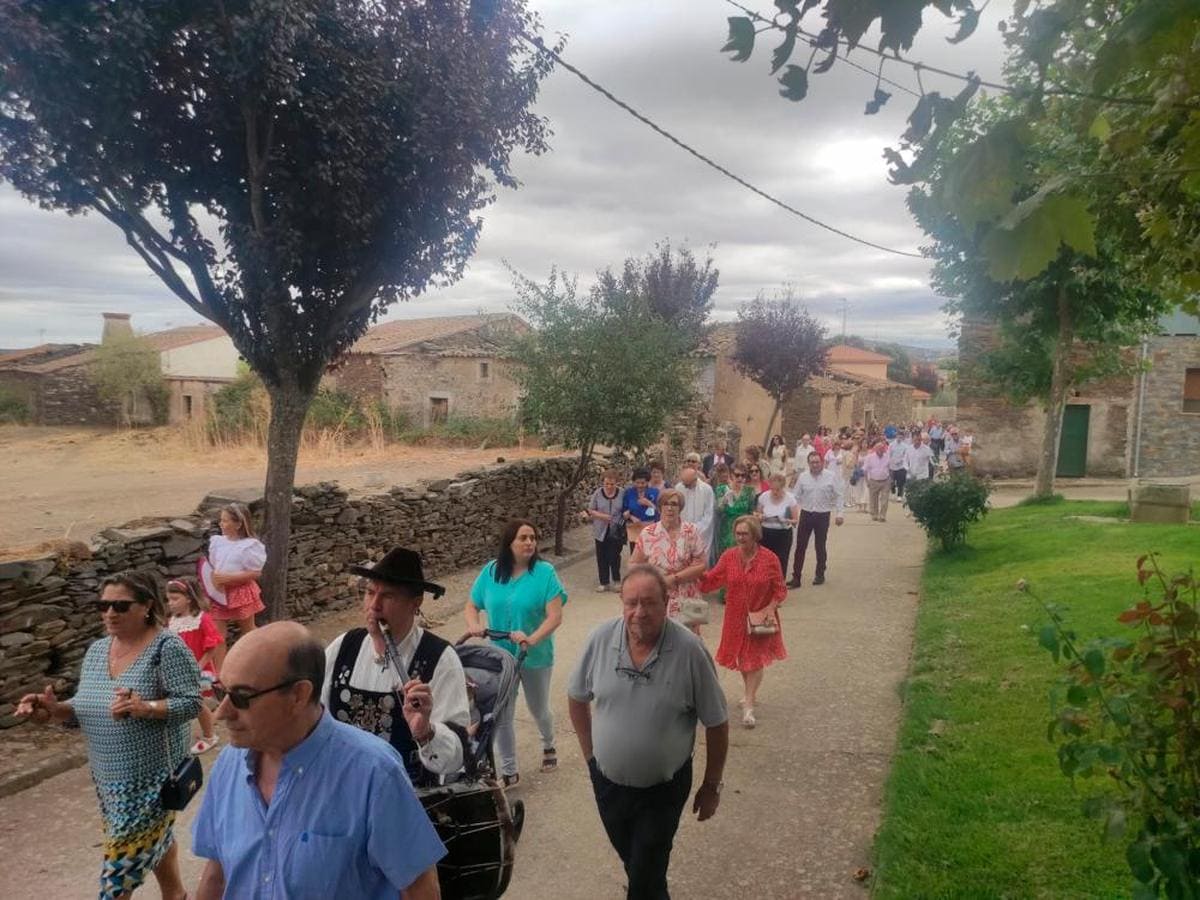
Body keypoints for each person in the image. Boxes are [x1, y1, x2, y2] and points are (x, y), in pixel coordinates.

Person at [192, 622, 444, 899]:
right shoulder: (230, 765)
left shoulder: (373, 773)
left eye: (241, 697)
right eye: (220, 692)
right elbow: (217, 875)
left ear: (298, 695)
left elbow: (419, 887)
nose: (221, 713)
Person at [17, 571, 201, 900]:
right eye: (103, 605)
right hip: (109, 780)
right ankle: (176, 895)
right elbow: (87, 706)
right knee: (153, 840)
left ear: (147, 606)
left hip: (151, 780)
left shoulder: (167, 648)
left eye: (120, 605)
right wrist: (53, 710)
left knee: (117, 875)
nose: (109, 613)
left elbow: (191, 702)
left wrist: (147, 707)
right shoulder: (98, 650)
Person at [567, 566, 729, 900]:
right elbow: (576, 698)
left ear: (667, 602)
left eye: (649, 603)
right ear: (622, 603)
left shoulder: (689, 651)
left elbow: (717, 722)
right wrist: (590, 758)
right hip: (608, 785)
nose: (639, 612)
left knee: (644, 873)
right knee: (640, 867)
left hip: (663, 792)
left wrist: (711, 785)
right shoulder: (600, 639)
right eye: (631, 603)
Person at [322, 547, 470, 786]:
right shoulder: (343, 647)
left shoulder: (439, 659)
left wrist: (426, 732)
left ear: (416, 603)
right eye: (370, 593)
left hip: (407, 797)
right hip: (342, 788)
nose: (374, 606)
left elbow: (455, 758)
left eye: (388, 596)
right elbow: (313, 719)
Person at [465, 520, 567, 786]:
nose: (530, 542)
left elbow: (555, 617)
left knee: (538, 707)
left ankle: (548, 744)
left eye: (532, 537)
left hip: (535, 656)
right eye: (523, 538)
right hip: (500, 660)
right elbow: (471, 605)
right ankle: (509, 771)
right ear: (509, 543)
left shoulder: (545, 573)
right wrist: (474, 625)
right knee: (501, 713)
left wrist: (531, 638)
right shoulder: (490, 572)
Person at [699, 516, 787, 728]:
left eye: (745, 534)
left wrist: (770, 608)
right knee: (742, 659)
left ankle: (748, 705)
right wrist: (694, 571)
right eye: (737, 533)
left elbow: (780, 589)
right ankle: (751, 694)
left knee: (754, 660)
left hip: (760, 616)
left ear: (755, 535)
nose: (740, 537)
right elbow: (712, 580)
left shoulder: (769, 558)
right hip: (735, 617)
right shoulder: (729, 556)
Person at [631, 488, 708, 634]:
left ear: (680, 508)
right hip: (657, 595)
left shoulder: (691, 531)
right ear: (660, 507)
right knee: (657, 638)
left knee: (687, 641)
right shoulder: (648, 533)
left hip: (687, 596)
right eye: (665, 503)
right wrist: (652, 579)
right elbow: (633, 564)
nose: (670, 508)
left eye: (674, 504)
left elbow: (701, 564)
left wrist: (674, 578)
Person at [165, 576, 224, 755]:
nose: (170, 604)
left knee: (197, 703)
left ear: (189, 598)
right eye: (168, 600)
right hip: (179, 670)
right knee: (184, 701)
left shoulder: (202, 619)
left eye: (175, 599)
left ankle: (209, 736)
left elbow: (213, 646)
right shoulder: (172, 621)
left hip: (200, 669)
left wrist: (199, 666)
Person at [200, 502, 265, 642]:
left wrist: (229, 578)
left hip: (240, 592)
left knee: (249, 632)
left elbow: (256, 573)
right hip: (218, 593)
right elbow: (213, 566)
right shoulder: (217, 542)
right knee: (217, 636)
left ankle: (262, 655)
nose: (221, 524)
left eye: (225, 521)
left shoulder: (250, 546)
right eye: (220, 520)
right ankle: (220, 664)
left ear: (238, 524)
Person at [788, 451, 845, 588]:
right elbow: (794, 497)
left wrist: (840, 514)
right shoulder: (803, 477)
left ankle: (820, 574)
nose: (815, 465)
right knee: (800, 546)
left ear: (822, 462)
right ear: (808, 464)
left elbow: (839, 495)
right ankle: (796, 577)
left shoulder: (831, 477)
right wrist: (790, 514)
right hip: (806, 514)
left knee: (820, 546)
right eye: (812, 462)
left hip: (823, 514)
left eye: (817, 462)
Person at [585, 469, 627, 592]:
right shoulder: (598, 493)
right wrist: (602, 516)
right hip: (600, 530)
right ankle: (604, 582)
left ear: (616, 483)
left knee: (614, 555)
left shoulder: (622, 493)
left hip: (616, 530)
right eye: (606, 483)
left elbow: (625, 508)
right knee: (601, 556)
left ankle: (616, 580)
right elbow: (591, 510)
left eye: (612, 484)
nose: (609, 486)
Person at [756, 472, 799, 581]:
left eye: (778, 489)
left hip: (783, 534)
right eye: (773, 489)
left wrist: (785, 520)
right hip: (766, 533)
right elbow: (757, 514)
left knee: (781, 560)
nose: (775, 492)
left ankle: (779, 586)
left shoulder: (790, 499)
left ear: (782, 487)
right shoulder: (764, 497)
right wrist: (761, 517)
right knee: (765, 561)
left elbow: (795, 521)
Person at [676, 463, 715, 560]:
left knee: (699, 561)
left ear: (695, 480)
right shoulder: (679, 488)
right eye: (684, 483)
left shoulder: (706, 490)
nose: (685, 486)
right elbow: (677, 509)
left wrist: (695, 529)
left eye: (687, 484)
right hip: (682, 531)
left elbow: (709, 514)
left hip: (701, 532)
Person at [715, 465, 757, 554]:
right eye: (737, 475)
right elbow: (718, 511)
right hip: (726, 528)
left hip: (744, 528)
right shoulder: (722, 489)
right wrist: (724, 500)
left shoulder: (750, 491)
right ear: (731, 475)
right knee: (726, 555)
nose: (740, 478)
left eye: (743, 475)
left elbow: (751, 512)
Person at [621, 467, 660, 554]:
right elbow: (624, 510)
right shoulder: (629, 493)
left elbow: (660, 511)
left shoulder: (655, 492)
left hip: (650, 529)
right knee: (635, 555)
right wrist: (630, 516)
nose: (640, 485)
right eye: (637, 483)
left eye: (643, 483)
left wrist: (649, 504)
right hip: (634, 528)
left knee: (650, 556)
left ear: (647, 482)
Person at [863, 440, 893, 522]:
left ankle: (882, 515)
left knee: (885, 499)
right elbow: (865, 470)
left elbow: (890, 469)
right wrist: (867, 481)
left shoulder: (887, 456)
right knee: (873, 499)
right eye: (879, 448)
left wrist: (891, 479)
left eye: (882, 448)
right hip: (873, 480)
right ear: (875, 449)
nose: (881, 450)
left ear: (884, 449)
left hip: (885, 481)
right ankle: (874, 514)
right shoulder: (869, 457)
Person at [889, 429, 910, 499]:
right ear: (896, 436)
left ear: (903, 437)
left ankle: (899, 495)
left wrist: (901, 460)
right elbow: (889, 455)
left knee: (900, 481)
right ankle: (892, 487)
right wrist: (892, 461)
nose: (899, 438)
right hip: (892, 466)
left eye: (901, 437)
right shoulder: (891, 445)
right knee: (892, 481)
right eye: (898, 436)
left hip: (901, 466)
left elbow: (906, 456)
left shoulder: (905, 446)